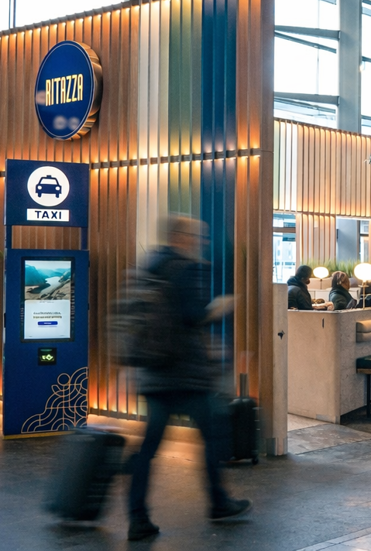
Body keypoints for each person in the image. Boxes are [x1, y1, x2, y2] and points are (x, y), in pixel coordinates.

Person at [126, 216, 251, 541]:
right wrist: (221, 306)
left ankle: (137, 517)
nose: (202, 242)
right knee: (215, 434)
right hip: (185, 375)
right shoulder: (185, 268)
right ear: (180, 236)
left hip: (153, 372)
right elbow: (194, 315)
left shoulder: (148, 266)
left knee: (149, 447)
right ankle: (219, 503)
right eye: (198, 236)